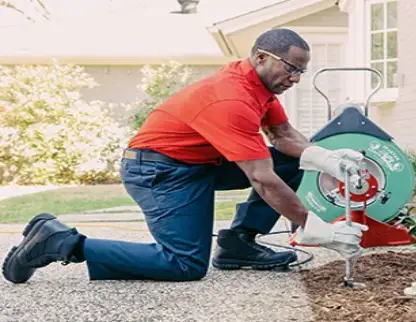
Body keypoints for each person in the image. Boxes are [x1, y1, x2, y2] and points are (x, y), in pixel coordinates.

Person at [2, 28, 369, 284]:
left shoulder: (260, 87)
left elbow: (284, 136)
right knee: (183, 264)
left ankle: (238, 245)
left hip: (197, 164)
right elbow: (261, 178)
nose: (297, 78)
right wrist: (317, 227)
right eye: (291, 68)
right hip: (158, 171)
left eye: (302, 71)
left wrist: (326, 158)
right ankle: (62, 243)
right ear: (260, 57)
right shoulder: (232, 98)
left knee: (291, 159)